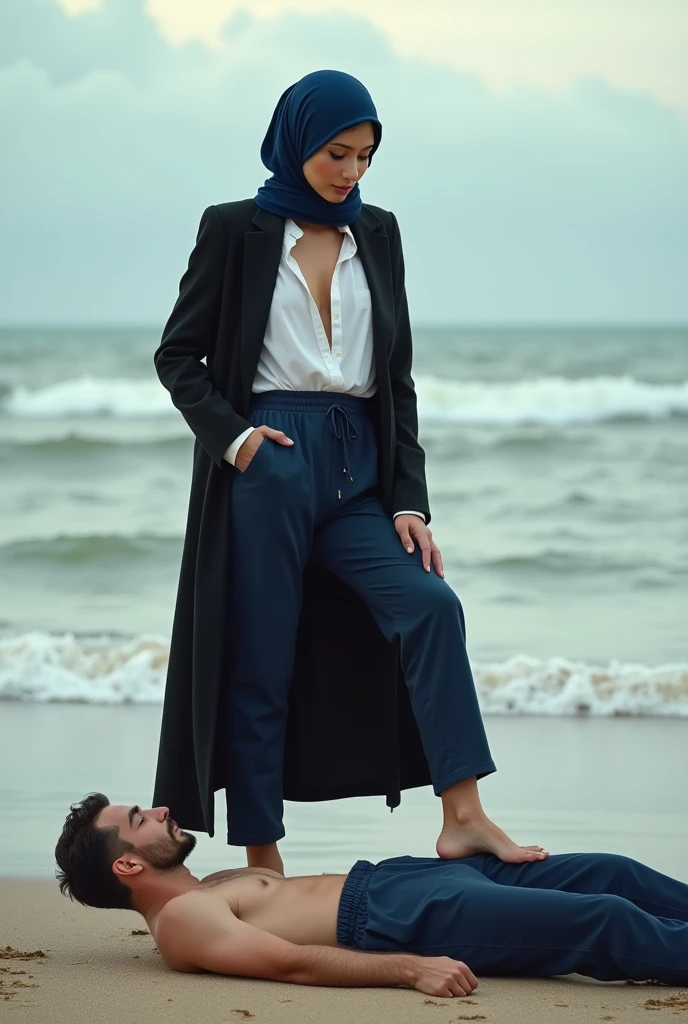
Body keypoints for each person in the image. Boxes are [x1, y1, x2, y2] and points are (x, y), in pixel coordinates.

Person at [153, 68, 546, 876]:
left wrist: (409, 499)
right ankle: (264, 856)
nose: (351, 172)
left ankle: (464, 816)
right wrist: (238, 442)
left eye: (366, 156)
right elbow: (176, 356)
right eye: (337, 153)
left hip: (358, 467)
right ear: (298, 140)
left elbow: (395, 375)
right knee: (262, 663)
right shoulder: (237, 230)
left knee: (432, 607)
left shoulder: (382, 232)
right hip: (271, 461)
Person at [56, 794, 688, 996]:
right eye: (140, 817)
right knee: (604, 920)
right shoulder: (181, 922)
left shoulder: (211, 885)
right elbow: (288, 961)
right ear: (130, 866)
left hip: (398, 878)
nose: (161, 809)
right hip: (398, 916)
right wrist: (411, 968)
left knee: (614, 872)